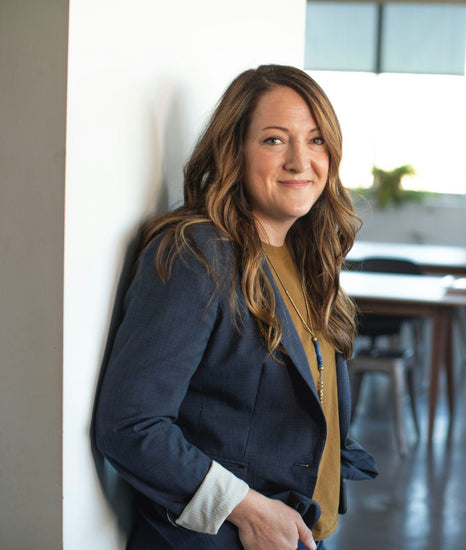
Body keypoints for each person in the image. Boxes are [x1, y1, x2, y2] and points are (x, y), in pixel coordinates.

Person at [95, 64, 378, 550]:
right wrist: (247, 509)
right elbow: (130, 424)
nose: (299, 161)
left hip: (300, 532)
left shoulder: (306, 255)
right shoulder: (197, 253)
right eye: (274, 140)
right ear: (235, 150)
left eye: (315, 140)